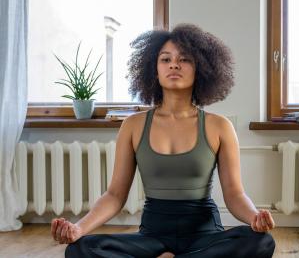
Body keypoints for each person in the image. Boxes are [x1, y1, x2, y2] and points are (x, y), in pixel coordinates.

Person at [51, 24, 276, 258]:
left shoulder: (219, 126)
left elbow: (234, 194)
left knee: (261, 242)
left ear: (201, 68)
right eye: (165, 59)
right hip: (151, 238)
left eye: (185, 60)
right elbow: (115, 195)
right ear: (153, 69)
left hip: (204, 237)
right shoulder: (133, 125)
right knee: (79, 249)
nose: (174, 65)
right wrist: (78, 228)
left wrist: (254, 217)